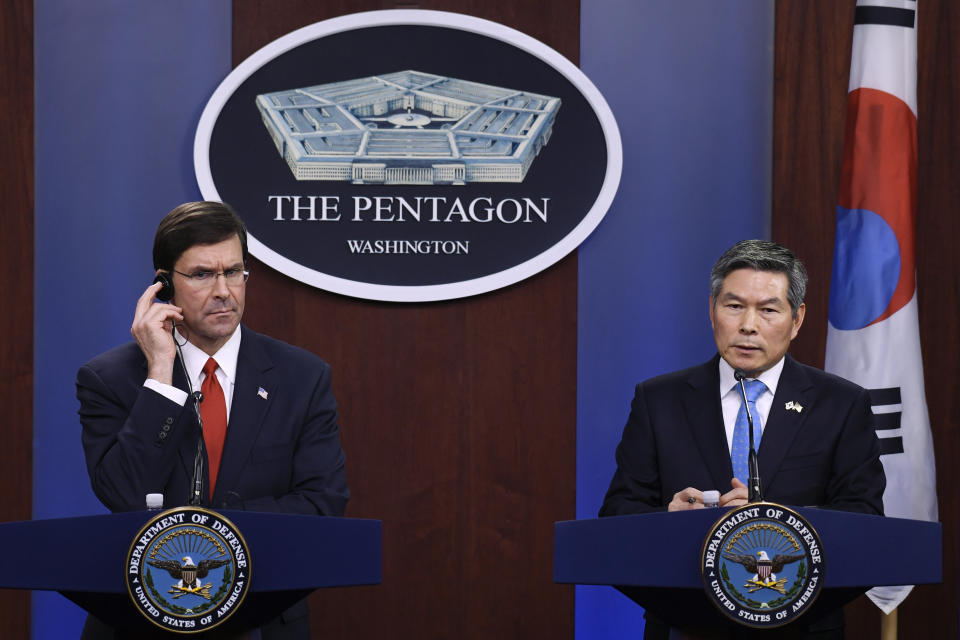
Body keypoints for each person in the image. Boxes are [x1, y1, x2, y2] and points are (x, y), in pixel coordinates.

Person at [77, 201, 348, 639]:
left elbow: (323, 503)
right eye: (203, 275)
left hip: (262, 618)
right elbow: (124, 495)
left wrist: (206, 529)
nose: (224, 290)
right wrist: (161, 377)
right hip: (141, 621)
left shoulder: (302, 377)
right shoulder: (109, 379)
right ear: (164, 286)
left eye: (235, 272)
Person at [599, 239, 884, 638]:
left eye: (768, 310)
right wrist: (667, 519)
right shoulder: (659, 399)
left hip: (803, 627)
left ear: (797, 319)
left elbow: (865, 519)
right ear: (712, 311)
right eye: (734, 306)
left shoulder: (841, 404)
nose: (748, 325)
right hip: (684, 625)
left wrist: (772, 518)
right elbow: (616, 514)